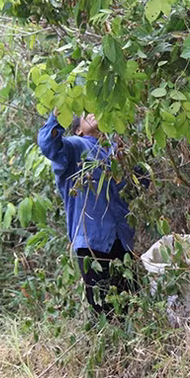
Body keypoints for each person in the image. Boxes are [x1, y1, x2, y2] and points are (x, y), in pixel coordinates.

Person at [37, 111, 147, 314]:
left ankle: (128, 346)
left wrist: (128, 155)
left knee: (132, 307)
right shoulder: (74, 147)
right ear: (78, 129)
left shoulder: (116, 151)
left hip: (122, 242)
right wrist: (56, 114)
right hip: (92, 243)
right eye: (86, 113)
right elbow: (47, 144)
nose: (94, 113)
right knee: (103, 309)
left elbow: (143, 181)